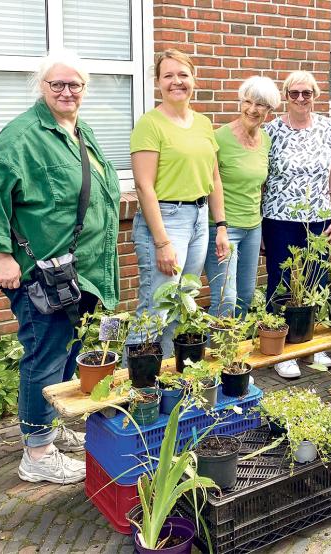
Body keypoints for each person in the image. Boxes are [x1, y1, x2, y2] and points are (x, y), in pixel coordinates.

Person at [0, 49, 121, 484]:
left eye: (75, 85)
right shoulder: (23, 135)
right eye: (58, 84)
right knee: (45, 356)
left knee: (67, 353)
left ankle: (47, 430)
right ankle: (37, 454)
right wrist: (0, 256)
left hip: (81, 271)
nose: (67, 91)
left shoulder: (79, 130)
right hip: (41, 273)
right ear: (42, 86)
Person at [128, 49, 229, 355]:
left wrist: (221, 225)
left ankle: (166, 378)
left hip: (198, 218)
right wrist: (162, 243)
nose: (176, 82)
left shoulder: (202, 123)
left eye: (183, 74)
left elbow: (214, 178)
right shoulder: (150, 124)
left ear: (193, 80)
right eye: (168, 75)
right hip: (166, 220)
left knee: (182, 299)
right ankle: (133, 389)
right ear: (158, 82)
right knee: (155, 306)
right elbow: (144, 186)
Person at [262, 71, 331, 378]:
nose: (300, 98)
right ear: (286, 96)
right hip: (279, 217)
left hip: (318, 217)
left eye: (306, 93)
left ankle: (312, 344)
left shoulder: (326, 127)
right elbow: (262, 177)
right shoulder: (271, 131)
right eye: (294, 93)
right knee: (280, 280)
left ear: (315, 95)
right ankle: (282, 350)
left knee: (316, 279)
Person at [204, 76, 280, 318]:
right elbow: (209, 185)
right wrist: (221, 228)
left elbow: (261, 186)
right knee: (225, 297)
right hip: (224, 229)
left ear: (270, 109)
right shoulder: (218, 138)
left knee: (245, 296)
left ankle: (233, 349)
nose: (252, 109)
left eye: (260, 104)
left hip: (252, 228)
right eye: (247, 101)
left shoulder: (266, 140)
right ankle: (215, 354)